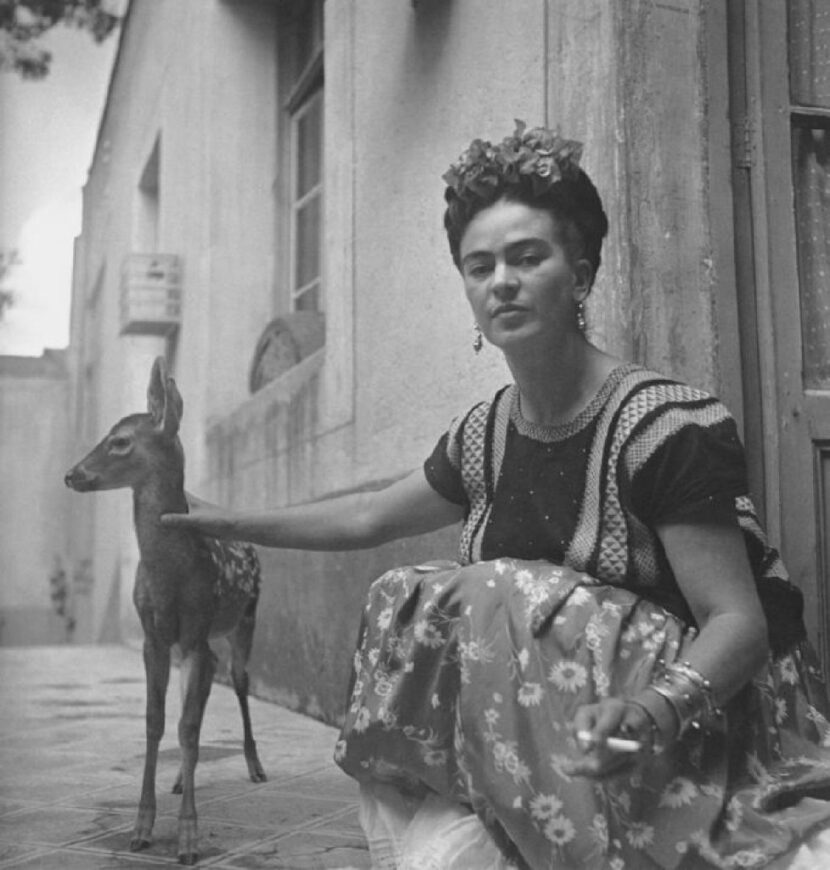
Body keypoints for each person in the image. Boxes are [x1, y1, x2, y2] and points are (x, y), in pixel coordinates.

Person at [163, 121, 830, 869]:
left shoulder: (666, 424)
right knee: (402, 597)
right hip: (565, 727)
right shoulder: (484, 435)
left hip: (706, 715)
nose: (501, 282)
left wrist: (647, 714)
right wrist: (220, 521)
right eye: (479, 267)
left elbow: (738, 624)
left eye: (527, 257)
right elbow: (367, 515)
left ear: (579, 275)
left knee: (492, 590)